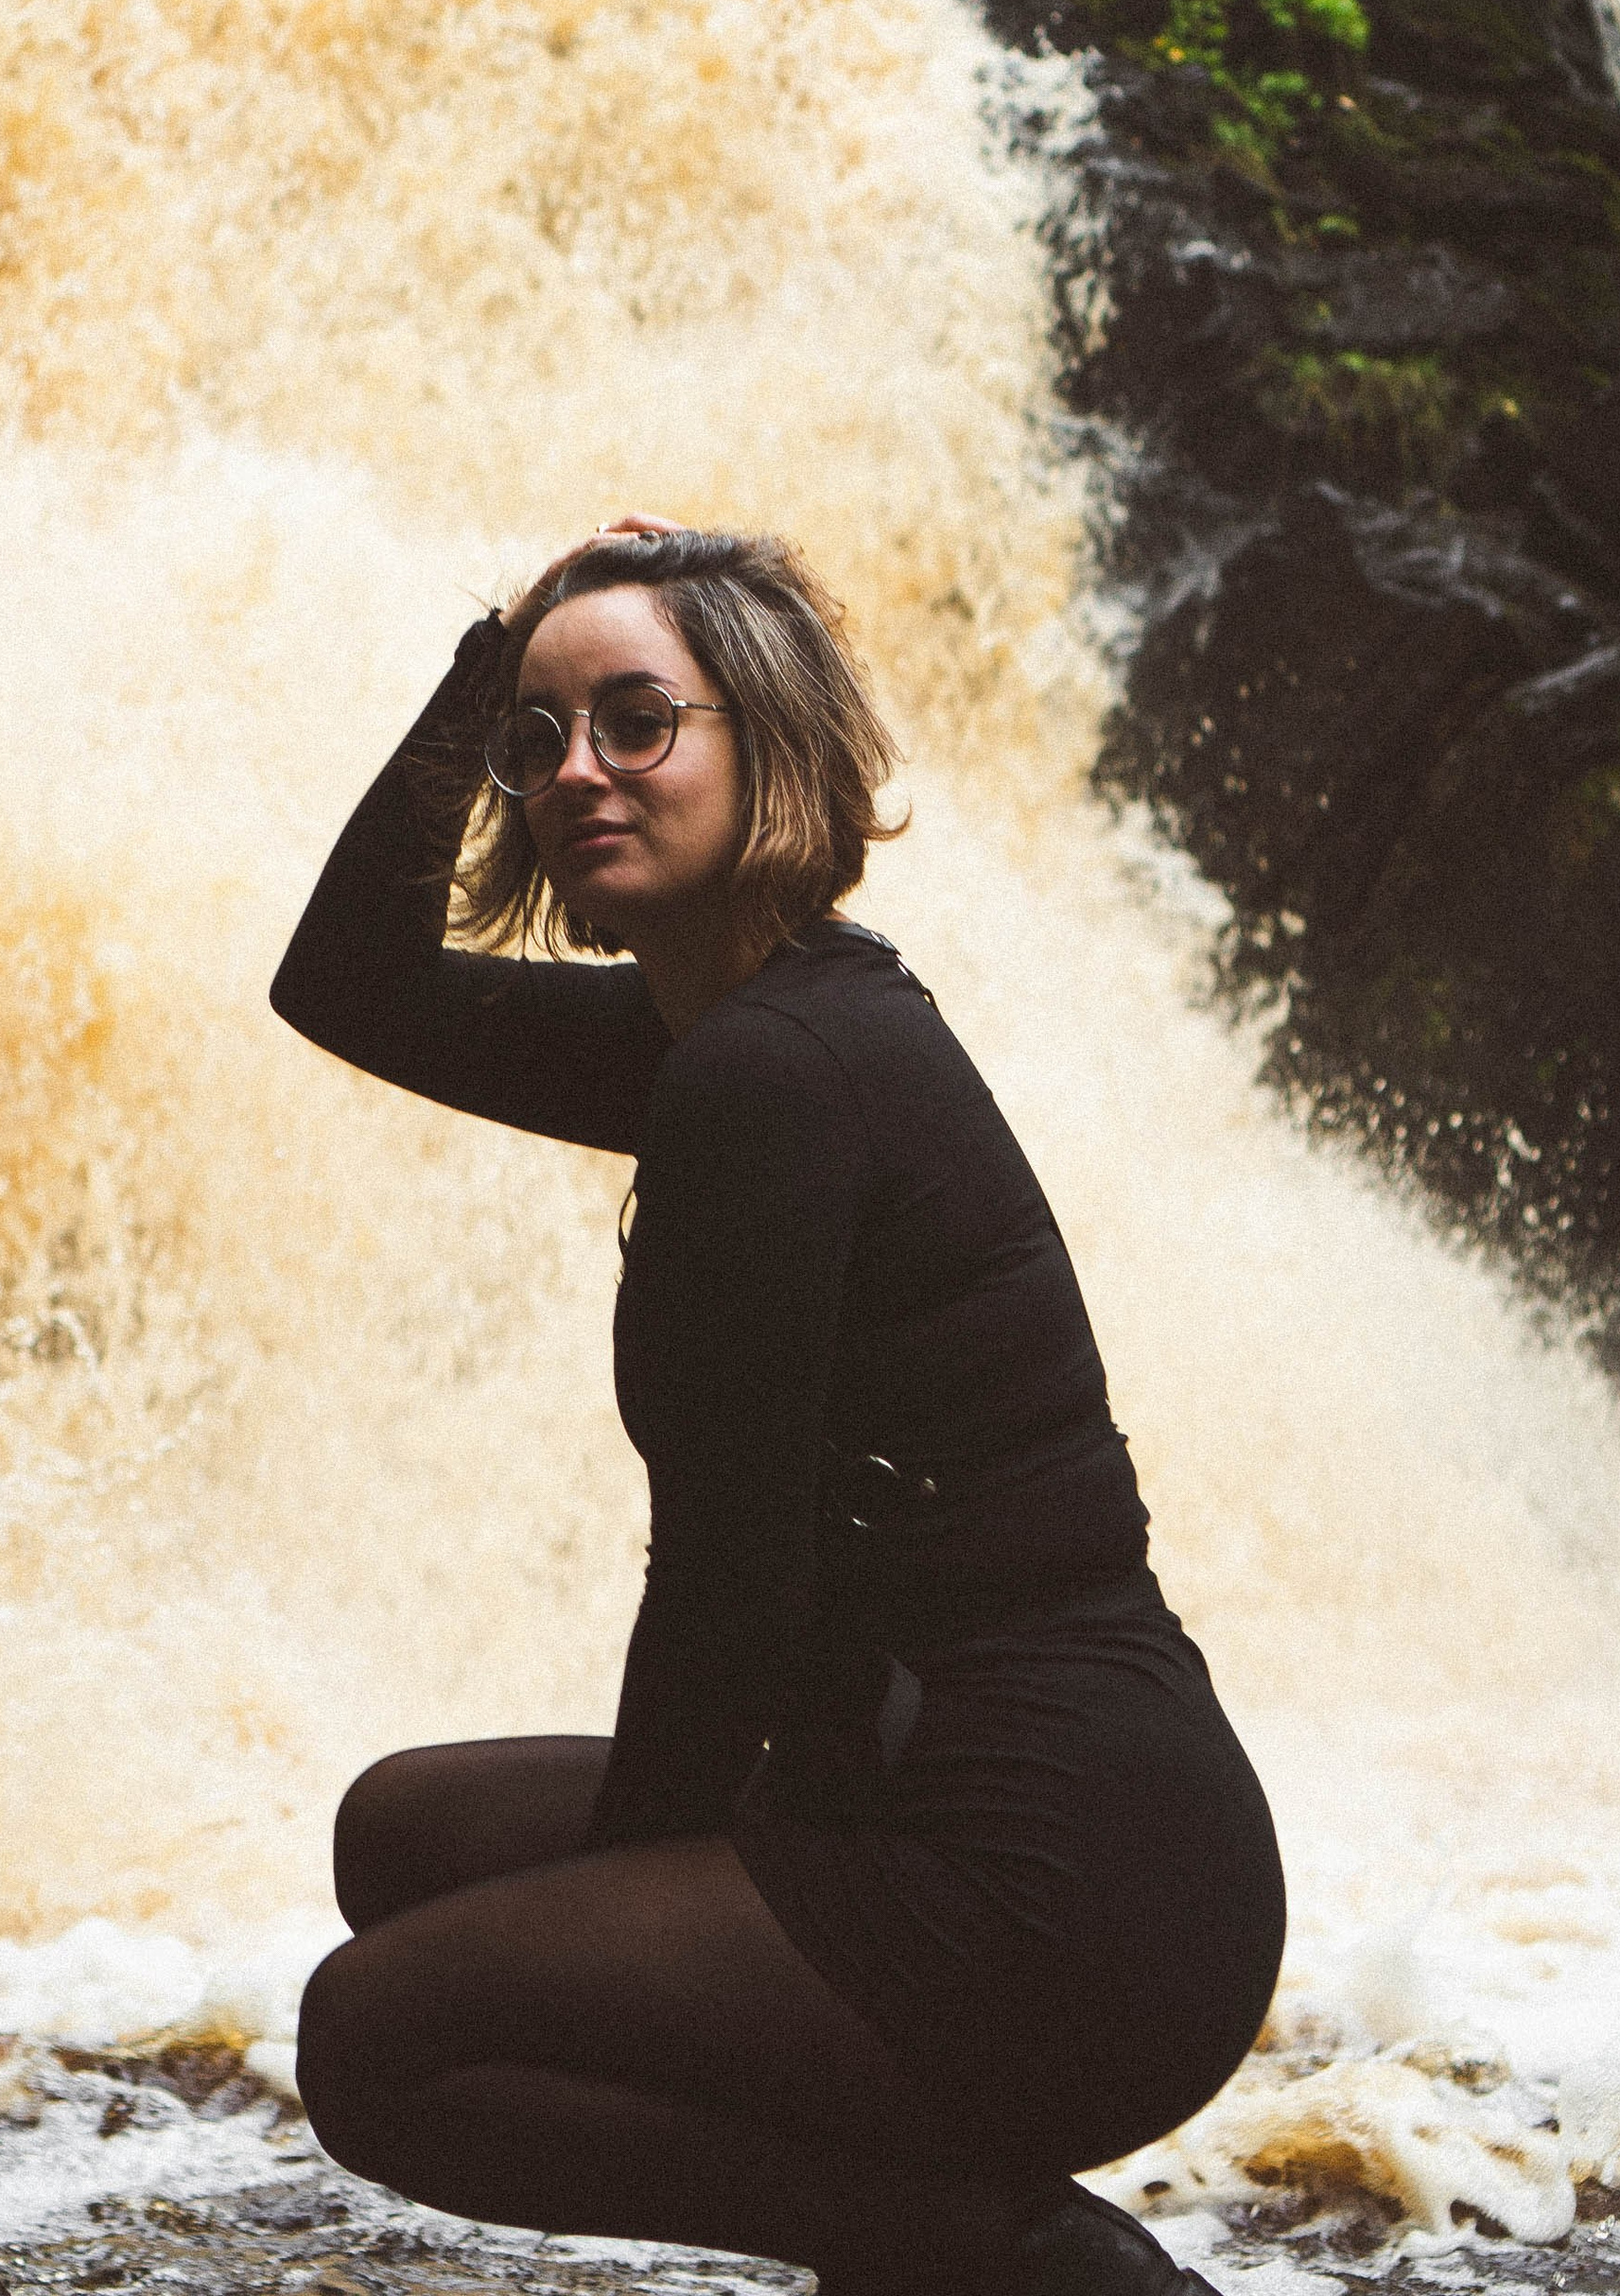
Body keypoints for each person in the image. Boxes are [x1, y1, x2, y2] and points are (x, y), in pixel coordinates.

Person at [270, 520, 1282, 2296]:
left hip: (1059, 1877)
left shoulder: (772, 1074)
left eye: (639, 721)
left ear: (769, 745)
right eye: (541, 736)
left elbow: (729, 1582)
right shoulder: (726, 1028)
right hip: (939, 1786)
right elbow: (343, 985)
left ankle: (996, 2253)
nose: (579, 768)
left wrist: (630, 1932)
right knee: (400, 1838)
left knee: (379, 2039)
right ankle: (930, 2216)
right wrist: (482, 656)